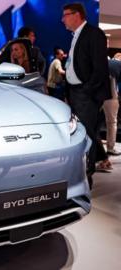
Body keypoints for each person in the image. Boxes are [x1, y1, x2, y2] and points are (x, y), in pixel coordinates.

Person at [62, 3, 112, 188]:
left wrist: (87, 92)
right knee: (79, 135)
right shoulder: (75, 36)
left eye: (65, 15)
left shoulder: (94, 34)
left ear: (77, 15)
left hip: (86, 94)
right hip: (76, 93)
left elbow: (100, 69)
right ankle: (79, 174)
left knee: (87, 136)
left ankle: (86, 177)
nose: (62, 19)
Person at [105, 59, 121, 155]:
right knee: (112, 122)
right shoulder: (118, 65)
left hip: (95, 94)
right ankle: (110, 148)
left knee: (94, 123)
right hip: (110, 93)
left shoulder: (105, 62)